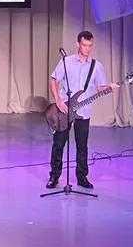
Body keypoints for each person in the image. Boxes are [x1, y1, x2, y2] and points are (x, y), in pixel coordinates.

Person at [46, 30, 120, 190]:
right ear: (78, 44)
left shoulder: (96, 66)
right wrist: (58, 100)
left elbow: (100, 88)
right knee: (58, 144)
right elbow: (53, 80)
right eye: (84, 45)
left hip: (83, 111)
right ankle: (54, 176)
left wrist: (110, 87)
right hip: (64, 110)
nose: (87, 48)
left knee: (82, 145)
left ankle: (82, 177)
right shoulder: (66, 62)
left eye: (90, 45)